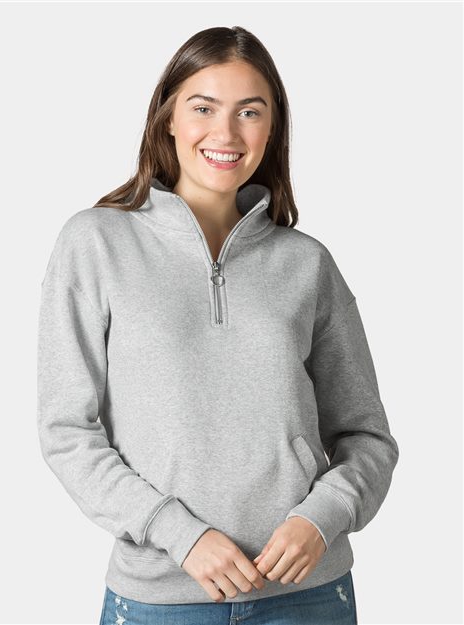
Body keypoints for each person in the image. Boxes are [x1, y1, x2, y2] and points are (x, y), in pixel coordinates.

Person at [36, 25, 400, 625]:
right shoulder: (96, 243)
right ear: (167, 118)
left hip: (308, 597)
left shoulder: (307, 264)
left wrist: (322, 517)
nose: (226, 133)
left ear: (272, 128)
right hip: (161, 599)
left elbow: (367, 437)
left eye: (249, 112)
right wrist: (178, 533)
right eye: (203, 108)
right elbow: (66, 432)